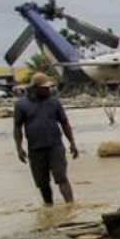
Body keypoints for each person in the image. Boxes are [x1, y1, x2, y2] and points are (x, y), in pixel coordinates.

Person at [13, 72, 79, 205]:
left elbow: (65, 123)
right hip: (35, 149)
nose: (48, 90)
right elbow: (17, 127)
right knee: (42, 183)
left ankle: (70, 206)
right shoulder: (21, 105)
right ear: (35, 88)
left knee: (61, 177)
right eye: (45, 88)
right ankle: (49, 208)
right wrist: (19, 148)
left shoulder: (54, 102)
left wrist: (72, 143)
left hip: (55, 146)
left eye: (48, 87)